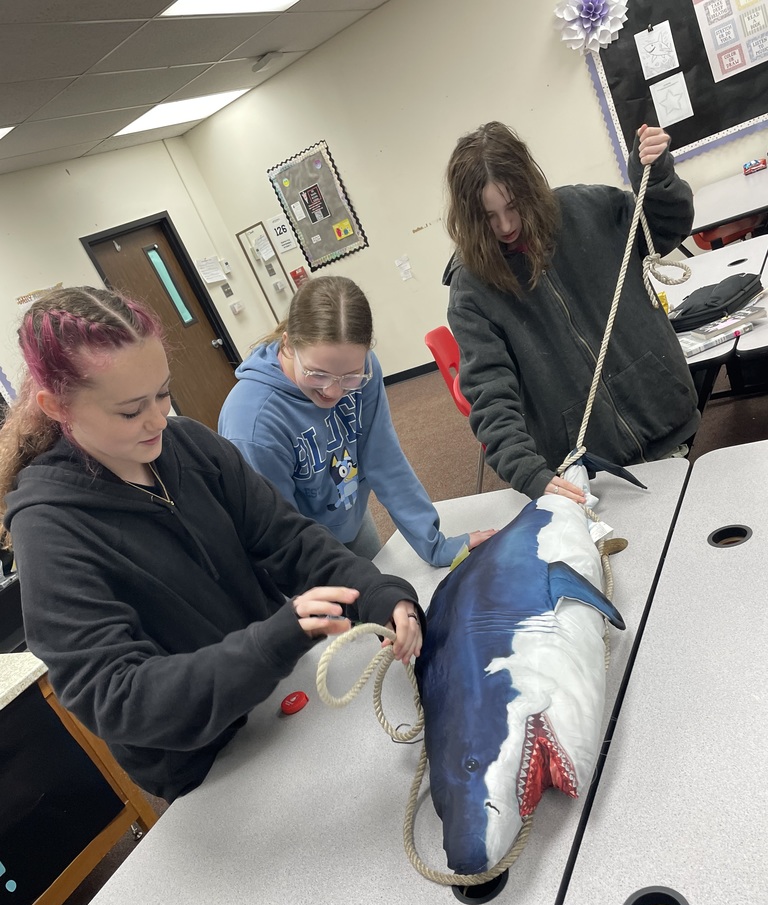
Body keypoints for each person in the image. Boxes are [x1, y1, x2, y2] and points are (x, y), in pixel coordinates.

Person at [0, 286, 424, 803]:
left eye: (163, 393)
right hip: (203, 763)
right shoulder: (49, 528)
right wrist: (270, 643)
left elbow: (287, 538)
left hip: (276, 698)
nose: (158, 419)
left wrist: (380, 594)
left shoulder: (190, 446)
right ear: (56, 406)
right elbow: (116, 694)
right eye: (131, 411)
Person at [443, 121, 701, 503]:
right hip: (589, 465)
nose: (506, 225)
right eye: (488, 216)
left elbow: (665, 229)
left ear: (530, 187)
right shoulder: (473, 288)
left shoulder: (586, 208)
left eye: (512, 207)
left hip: (662, 415)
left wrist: (657, 175)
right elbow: (490, 394)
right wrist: (528, 472)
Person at [218, 275, 495, 565]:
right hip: (294, 550)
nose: (333, 392)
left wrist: (435, 545)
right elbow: (279, 537)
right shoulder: (252, 423)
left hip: (349, 516)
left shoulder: (365, 369)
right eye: (318, 374)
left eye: (350, 377)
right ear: (288, 345)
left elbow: (383, 458)